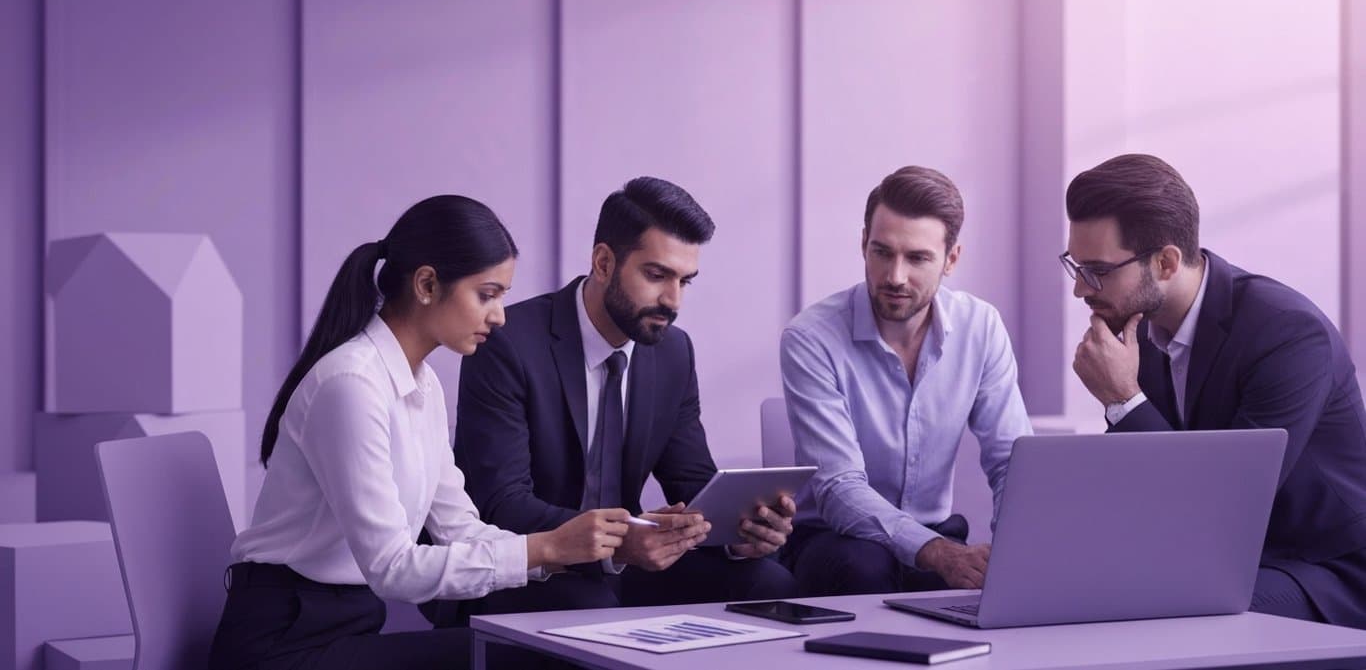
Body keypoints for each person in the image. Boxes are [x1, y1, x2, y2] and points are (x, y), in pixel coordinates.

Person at [208, 196, 632, 670]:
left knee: (545, 647)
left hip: (349, 625)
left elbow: (459, 529)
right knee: (525, 660)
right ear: (427, 284)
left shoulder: (422, 383)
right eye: (487, 294)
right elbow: (392, 568)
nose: (499, 316)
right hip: (283, 643)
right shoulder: (350, 385)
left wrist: (568, 550)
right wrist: (545, 546)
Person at [433, 177, 798, 619]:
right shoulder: (509, 342)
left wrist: (740, 531)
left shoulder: (673, 352)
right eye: (656, 275)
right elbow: (501, 503)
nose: (673, 299)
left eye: (686, 281)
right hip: (531, 566)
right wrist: (621, 541)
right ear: (603, 262)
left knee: (767, 583)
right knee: (590, 603)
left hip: (624, 566)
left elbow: (693, 486)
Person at [1064, 153, 1366, 629]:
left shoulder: (1287, 333)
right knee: (1076, 593)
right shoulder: (1140, 331)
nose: (1081, 290)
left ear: (1165, 262)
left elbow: (1222, 508)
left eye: (1097, 270)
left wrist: (1123, 400)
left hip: (1325, 572)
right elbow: (1148, 490)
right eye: (1075, 266)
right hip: (1226, 564)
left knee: (1147, 609)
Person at [779, 166, 1032, 597]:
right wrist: (937, 552)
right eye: (882, 252)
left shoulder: (981, 326)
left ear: (951, 260)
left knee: (991, 585)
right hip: (835, 542)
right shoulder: (811, 337)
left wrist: (1019, 551)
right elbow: (839, 488)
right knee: (864, 565)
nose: (895, 276)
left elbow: (1011, 460)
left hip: (936, 531)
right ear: (863, 244)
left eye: (917, 258)